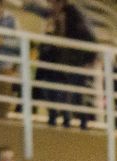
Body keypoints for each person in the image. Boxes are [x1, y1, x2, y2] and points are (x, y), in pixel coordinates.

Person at [38, 0, 96, 129]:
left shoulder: (73, 16)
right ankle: (58, 117)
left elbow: (84, 37)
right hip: (60, 60)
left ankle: (75, 120)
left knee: (73, 93)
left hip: (74, 60)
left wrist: (90, 58)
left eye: (53, 4)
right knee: (55, 90)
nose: (51, 6)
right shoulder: (56, 16)